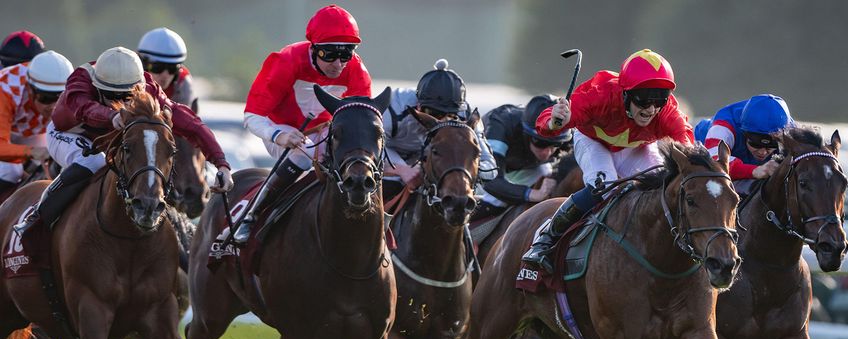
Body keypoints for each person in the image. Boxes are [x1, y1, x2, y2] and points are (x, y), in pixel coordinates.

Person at [14, 46, 232, 235]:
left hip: (111, 132)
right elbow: (84, 107)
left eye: (126, 98)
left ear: (138, 89)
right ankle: (38, 215)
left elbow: (192, 124)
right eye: (110, 96)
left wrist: (221, 163)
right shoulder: (80, 80)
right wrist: (112, 116)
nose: (117, 102)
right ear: (97, 86)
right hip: (69, 133)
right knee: (94, 163)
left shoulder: (149, 88)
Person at [522, 49, 694, 273]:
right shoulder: (600, 94)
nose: (651, 109)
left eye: (659, 99)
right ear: (625, 94)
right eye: (643, 99)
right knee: (604, 186)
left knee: (662, 185)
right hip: (594, 142)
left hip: (637, 148)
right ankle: (545, 238)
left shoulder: (668, 112)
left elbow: (689, 148)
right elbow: (546, 123)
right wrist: (555, 121)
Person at [235, 4, 370, 243]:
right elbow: (252, 116)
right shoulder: (286, 61)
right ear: (314, 48)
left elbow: (363, 120)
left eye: (346, 54)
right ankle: (252, 216)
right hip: (282, 130)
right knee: (302, 150)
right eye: (329, 54)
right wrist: (278, 135)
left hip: (325, 131)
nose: (338, 64)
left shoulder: (356, 69)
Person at [381, 58, 495, 204]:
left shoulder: (467, 118)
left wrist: (459, 170)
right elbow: (368, 148)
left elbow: (490, 169)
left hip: (438, 173)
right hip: (392, 170)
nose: (437, 121)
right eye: (431, 113)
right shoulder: (393, 108)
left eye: (449, 116)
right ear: (418, 105)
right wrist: (401, 169)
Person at [473, 94, 571, 220]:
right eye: (540, 143)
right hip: (479, 167)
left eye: (555, 144)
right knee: (496, 200)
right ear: (526, 133)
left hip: (527, 166)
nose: (547, 152)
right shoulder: (500, 126)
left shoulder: (567, 136)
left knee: (545, 171)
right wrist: (531, 194)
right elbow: (490, 180)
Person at [0, 50, 73, 199]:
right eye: (46, 98)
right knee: (10, 171)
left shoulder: (77, 91)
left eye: (60, 99)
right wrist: (31, 151)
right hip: (6, 131)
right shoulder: (5, 90)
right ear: (29, 89)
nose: (53, 107)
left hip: (24, 129)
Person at [701, 93, 794, 194]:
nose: (763, 152)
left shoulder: (790, 131)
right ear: (744, 134)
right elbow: (715, 164)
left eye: (771, 146)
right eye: (756, 144)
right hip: (704, 148)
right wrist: (755, 171)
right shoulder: (724, 125)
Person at [137, 27, 196, 108]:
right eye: (158, 67)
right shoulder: (127, 78)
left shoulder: (184, 85)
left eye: (172, 68)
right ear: (142, 64)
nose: (166, 75)